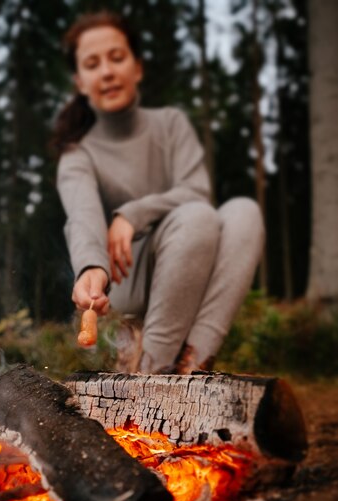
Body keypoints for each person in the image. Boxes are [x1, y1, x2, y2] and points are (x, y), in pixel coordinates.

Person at [53, 11, 265, 375]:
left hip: (191, 257)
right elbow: (83, 216)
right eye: (92, 64)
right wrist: (90, 267)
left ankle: (193, 364)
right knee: (198, 216)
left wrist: (132, 215)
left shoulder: (170, 124)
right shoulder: (78, 154)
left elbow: (197, 190)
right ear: (80, 82)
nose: (106, 71)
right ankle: (149, 369)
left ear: (137, 68)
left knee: (244, 211)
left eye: (117, 58)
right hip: (127, 282)